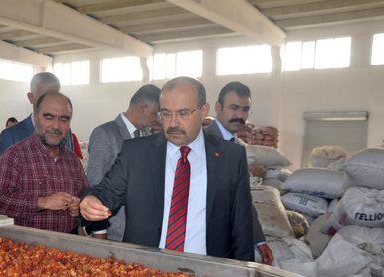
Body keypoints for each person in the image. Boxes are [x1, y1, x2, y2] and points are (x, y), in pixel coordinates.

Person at [80, 77, 254, 261]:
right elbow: (107, 191)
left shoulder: (231, 157)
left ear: (204, 111)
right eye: (166, 114)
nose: (173, 123)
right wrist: (91, 199)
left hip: (208, 276)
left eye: (183, 113)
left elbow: (242, 225)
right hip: (145, 272)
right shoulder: (136, 153)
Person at [0, 92, 87, 234]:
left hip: (68, 247)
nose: (56, 126)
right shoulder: (14, 156)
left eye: (63, 119)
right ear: (36, 117)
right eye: (49, 117)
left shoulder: (73, 161)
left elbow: (84, 193)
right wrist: (43, 202)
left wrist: (79, 204)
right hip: (26, 249)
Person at [205, 81, 273, 265]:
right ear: (218, 108)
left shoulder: (237, 148)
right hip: (206, 244)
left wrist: (259, 240)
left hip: (233, 242)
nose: (240, 115)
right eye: (234, 108)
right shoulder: (202, 142)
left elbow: (243, 198)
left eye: (245, 110)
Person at [86, 84, 161, 241]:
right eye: (155, 113)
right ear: (143, 108)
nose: (156, 119)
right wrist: (100, 231)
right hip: (116, 231)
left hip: (144, 231)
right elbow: (96, 186)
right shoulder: (105, 134)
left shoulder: (147, 136)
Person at [0, 72, 81, 163]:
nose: (51, 103)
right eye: (44, 97)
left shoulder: (64, 132)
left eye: (55, 97)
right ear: (31, 97)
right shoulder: (11, 136)